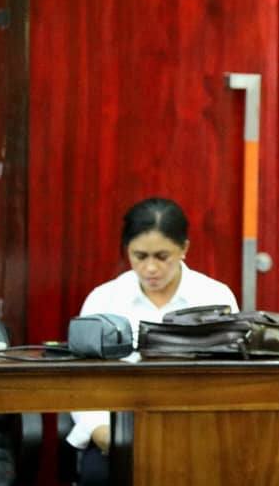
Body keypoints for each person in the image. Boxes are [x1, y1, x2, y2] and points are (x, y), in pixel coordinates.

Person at [66, 197, 239, 485]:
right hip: (117, 433)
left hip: (195, 431)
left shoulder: (214, 298)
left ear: (184, 249)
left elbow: (231, 378)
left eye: (161, 256)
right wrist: (101, 431)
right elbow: (81, 381)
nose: (150, 268)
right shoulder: (104, 299)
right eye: (139, 256)